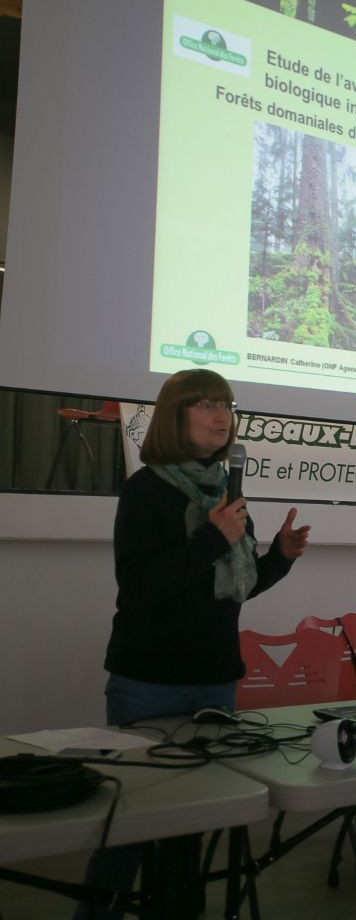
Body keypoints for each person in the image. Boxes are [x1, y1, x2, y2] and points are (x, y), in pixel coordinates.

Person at [76, 368, 310, 918]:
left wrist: (278, 556)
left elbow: (233, 591)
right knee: (130, 827)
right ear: (174, 416)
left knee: (196, 825)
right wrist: (213, 536)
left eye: (225, 404)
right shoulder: (147, 490)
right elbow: (138, 588)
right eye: (204, 404)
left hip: (215, 679)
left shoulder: (226, 493)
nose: (220, 415)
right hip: (148, 684)